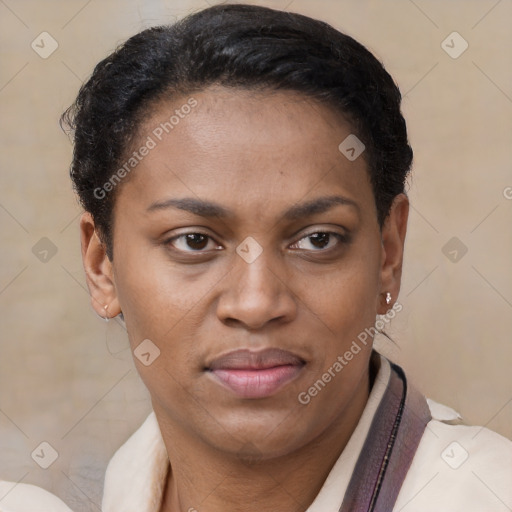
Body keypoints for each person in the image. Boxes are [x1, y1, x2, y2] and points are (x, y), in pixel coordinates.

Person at [1, 3, 511, 511]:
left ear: (388, 254)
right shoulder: (117, 486)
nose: (256, 302)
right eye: (194, 241)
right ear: (101, 266)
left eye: (317, 239)